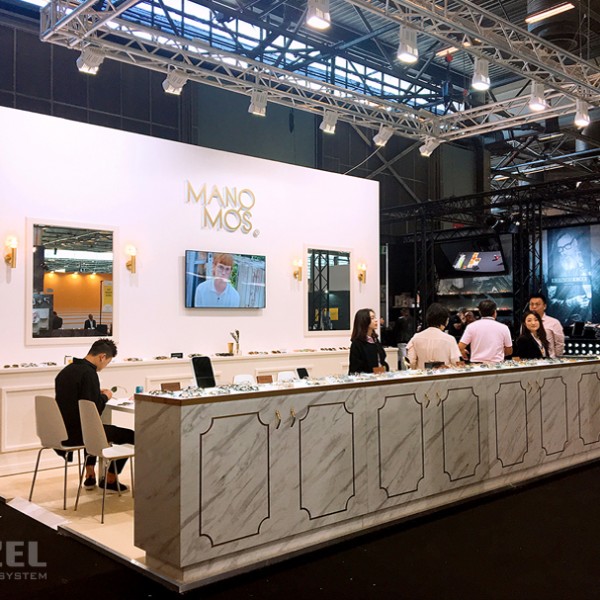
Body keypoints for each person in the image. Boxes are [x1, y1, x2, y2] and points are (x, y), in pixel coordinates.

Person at [55, 338, 134, 492]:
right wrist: (105, 396)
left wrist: (96, 393)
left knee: (94, 428)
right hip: (79, 434)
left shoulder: (66, 371)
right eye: (107, 362)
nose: (104, 366)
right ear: (102, 357)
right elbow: (93, 410)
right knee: (130, 435)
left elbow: (74, 399)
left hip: (62, 430)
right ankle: (110, 479)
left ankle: (90, 473)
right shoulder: (89, 374)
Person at [406, 303, 461, 369]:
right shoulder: (450, 339)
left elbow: (411, 362)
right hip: (444, 374)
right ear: (446, 321)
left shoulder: (416, 337)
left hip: (423, 374)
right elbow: (456, 363)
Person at [348, 308, 389, 374]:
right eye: (372, 318)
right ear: (364, 321)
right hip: (365, 378)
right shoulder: (357, 344)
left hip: (379, 376)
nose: (376, 320)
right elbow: (355, 369)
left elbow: (381, 361)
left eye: (375, 317)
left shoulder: (375, 340)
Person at [528, 293, 564, 357]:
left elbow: (559, 344)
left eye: (537, 304)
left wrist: (556, 359)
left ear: (544, 306)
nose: (534, 307)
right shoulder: (525, 323)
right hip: (531, 360)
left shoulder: (554, 322)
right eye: (531, 304)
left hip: (549, 360)